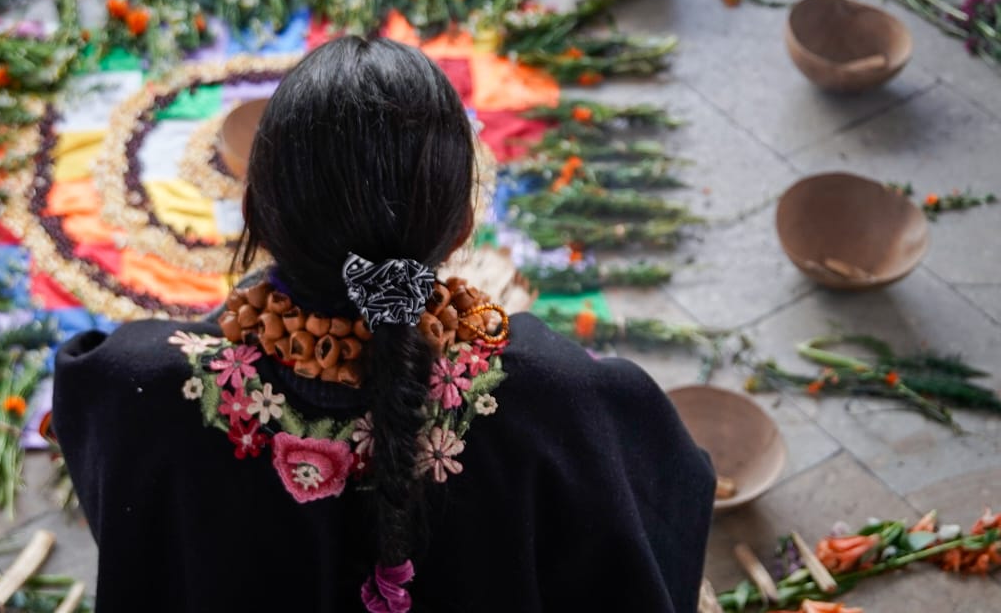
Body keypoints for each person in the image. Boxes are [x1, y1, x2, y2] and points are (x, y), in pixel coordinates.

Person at [53, 37, 714, 612]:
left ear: (252, 213)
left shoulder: (135, 391)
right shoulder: (567, 402)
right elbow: (659, 530)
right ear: (462, 227)